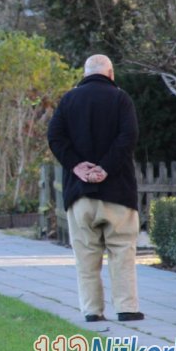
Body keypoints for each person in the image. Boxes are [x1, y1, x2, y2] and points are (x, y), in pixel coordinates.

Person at [47, 54, 144, 323]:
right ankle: (126, 308)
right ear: (111, 74)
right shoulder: (121, 99)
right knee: (122, 251)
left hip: (80, 196)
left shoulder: (68, 100)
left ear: (85, 73)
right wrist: (105, 168)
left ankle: (92, 311)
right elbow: (129, 136)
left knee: (86, 257)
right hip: (118, 194)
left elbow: (54, 136)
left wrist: (77, 166)